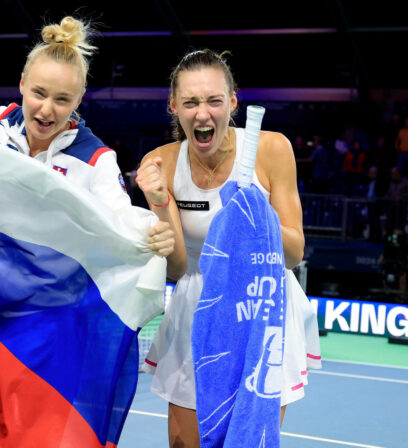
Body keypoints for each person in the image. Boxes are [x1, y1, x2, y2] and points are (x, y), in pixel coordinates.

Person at [0, 16, 175, 447]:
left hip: (51, 340)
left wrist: (153, 231)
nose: (47, 109)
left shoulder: (96, 160)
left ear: (79, 99)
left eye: (62, 99)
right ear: (21, 83)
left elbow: (121, 220)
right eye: (39, 93)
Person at [136, 49, 318, 447]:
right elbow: (178, 267)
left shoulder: (273, 150)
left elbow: (293, 253)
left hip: (261, 308)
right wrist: (161, 203)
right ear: (174, 106)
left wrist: (255, 216)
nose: (203, 113)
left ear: (232, 102)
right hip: (196, 309)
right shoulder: (161, 164)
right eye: (191, 102)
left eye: (214, 101)